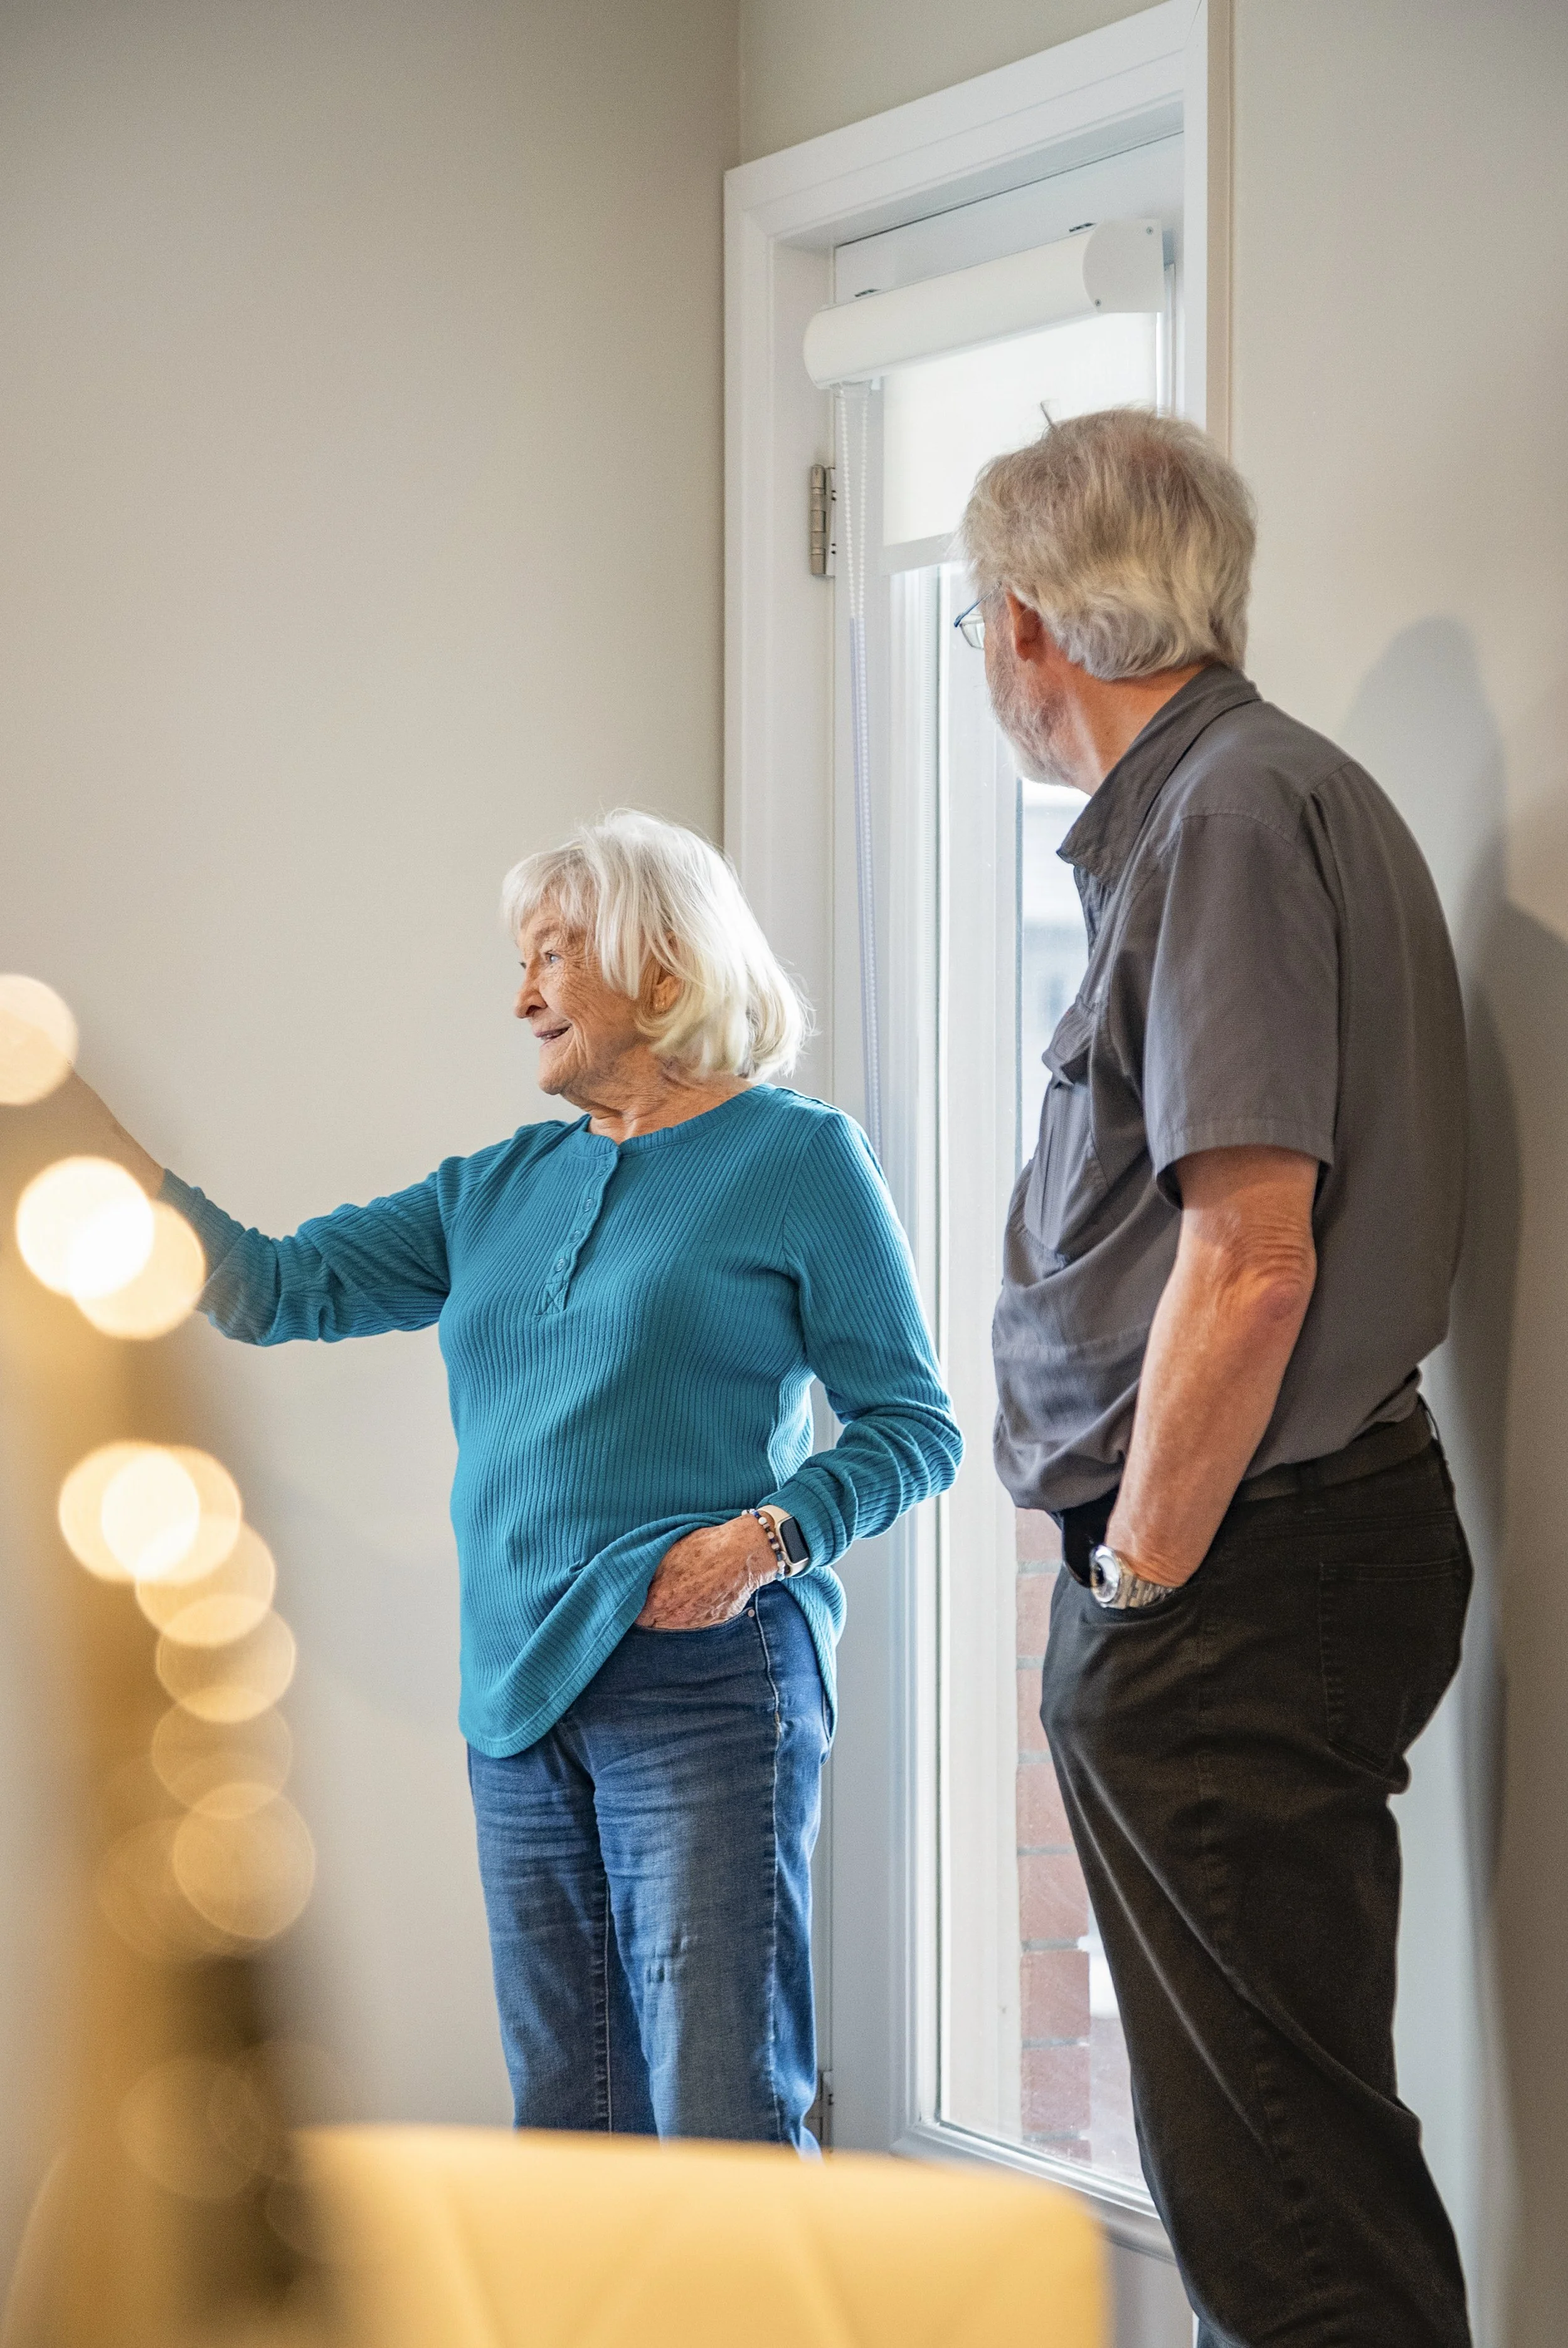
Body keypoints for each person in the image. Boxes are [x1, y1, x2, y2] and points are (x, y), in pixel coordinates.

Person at [73, 809, 961, 2150]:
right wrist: (81, 1143)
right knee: (568, 2130)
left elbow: (913, 1423)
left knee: (718, 2115)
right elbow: (266, 1284)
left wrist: (770, 1537)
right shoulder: (493, 1188)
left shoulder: (796, 1158)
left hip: (704, 1682)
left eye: (553, 953)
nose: (521, 992)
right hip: (514, 1699)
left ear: (662, 971)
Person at [957, 410, 1473, 2347]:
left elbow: (1250, 1253)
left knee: (1281, 2195)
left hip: (1239, 1568)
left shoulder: (1230, 813)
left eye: (975, 623)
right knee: (1281, 2159)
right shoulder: (1238, 797)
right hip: (1264, 1554)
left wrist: (1139, 1577)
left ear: (1031, 623)